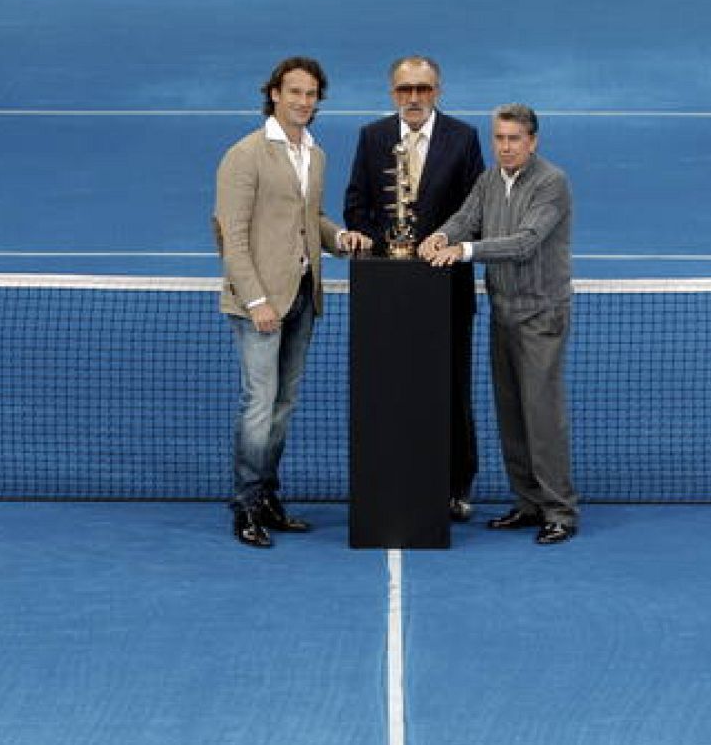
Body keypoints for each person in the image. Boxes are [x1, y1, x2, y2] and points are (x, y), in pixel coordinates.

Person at [215, 56, 370, 548]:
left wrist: (339, 236)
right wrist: (256, 299)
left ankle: (266, 496)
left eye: (311, 94)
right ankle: (244, 506)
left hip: (304, 296)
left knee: (283, 405)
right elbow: (231, 235)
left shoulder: (314, 154)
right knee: (259, 405)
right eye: (295, 92)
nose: (304, 101)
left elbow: (310, 217)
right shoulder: (245, 155)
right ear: (275, 94)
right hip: (260, 303)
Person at [421, 104, 577, 545]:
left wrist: (464, 252)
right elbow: (465, 218)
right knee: (511, 414)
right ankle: (528, 503)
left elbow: (526, 243)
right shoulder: (490, 179)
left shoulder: (552, 183)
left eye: (514, 139)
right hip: (503, 313)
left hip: (541, 315)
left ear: (532, 141)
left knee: (542, 417)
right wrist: (441, 236)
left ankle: (560, 511)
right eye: (499, 138)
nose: (505, 147)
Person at [344, 56, 486, 523]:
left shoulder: (463, 139)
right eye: (404, 89)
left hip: (448, 290)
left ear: (437, 91)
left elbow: (476, 210)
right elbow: (357, 207)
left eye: (422, 89)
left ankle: (456, 485)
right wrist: (388, 247)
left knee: (452, 387)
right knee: (392, 387)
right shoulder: (373, 138)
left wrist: (442, 245)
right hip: (390, 293)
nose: (413, 98)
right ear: (392, 93)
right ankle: (395, 474)